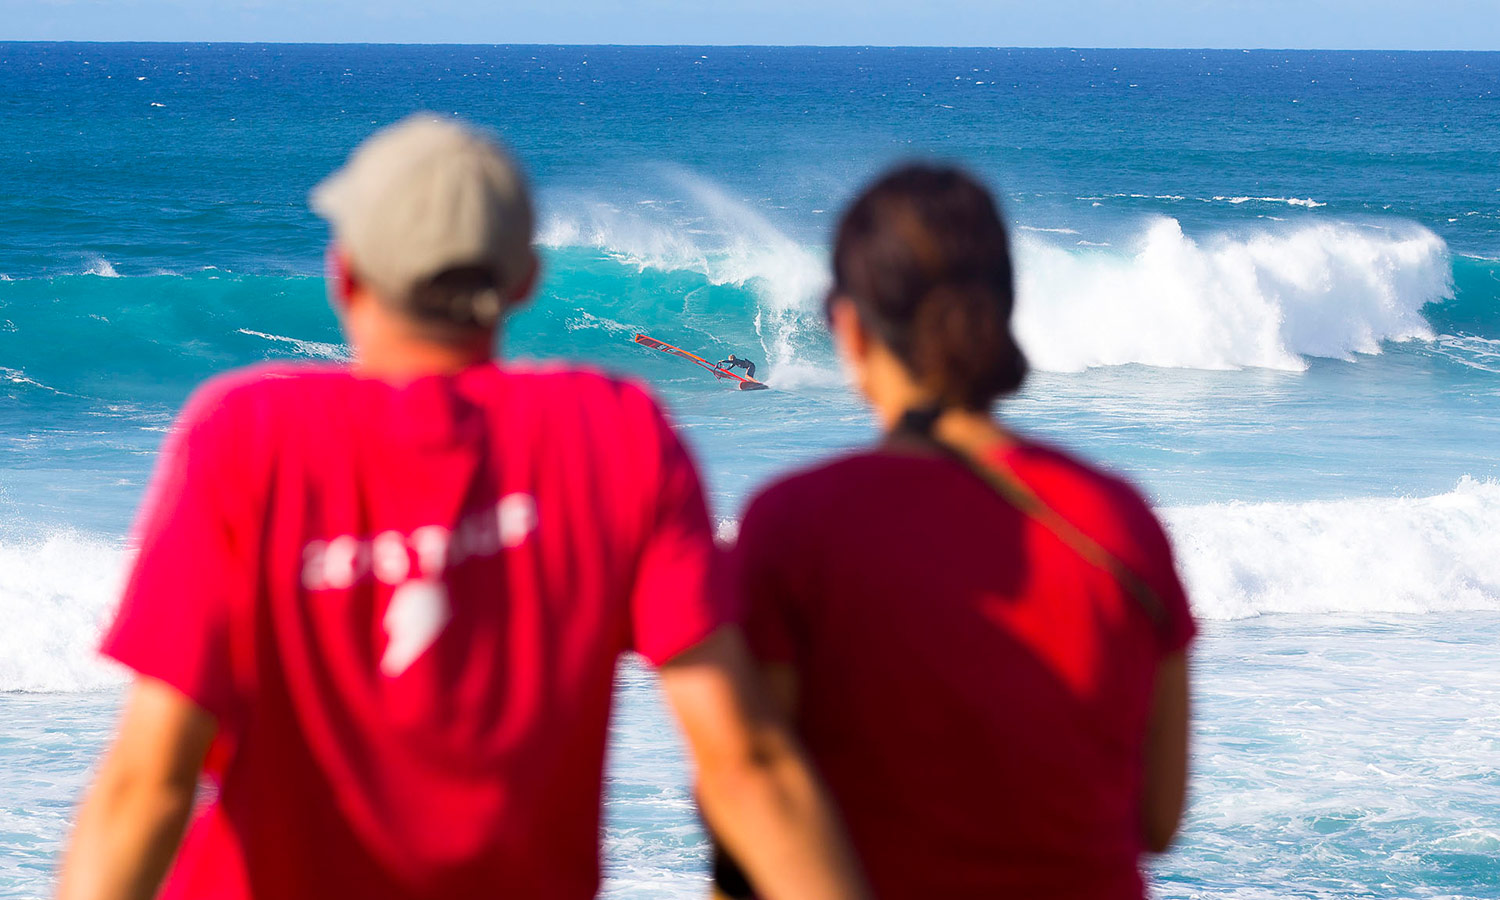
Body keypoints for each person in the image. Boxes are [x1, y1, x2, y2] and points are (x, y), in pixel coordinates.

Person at [58, 116, 867, 900]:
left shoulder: (245, 438)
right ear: (525, 282)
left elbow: (149, 782)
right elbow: (744, 762)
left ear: (343, 273)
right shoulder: (616, 434)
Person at [719, 165, 1195, 899]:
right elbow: (1158, 819)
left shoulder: (796, 525)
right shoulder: (1121, 520)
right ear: (1002, 310)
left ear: (849, 326)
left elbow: (756, 802)